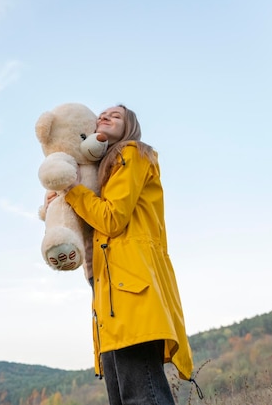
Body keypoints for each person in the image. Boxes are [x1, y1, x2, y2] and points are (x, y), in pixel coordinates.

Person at [62, 104, 195, 405]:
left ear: (130, 126)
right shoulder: (104, 171)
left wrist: (71, 190)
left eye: (116, 116)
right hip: (109, 293)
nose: (105, 116)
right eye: (102, 115)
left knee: (142, 395)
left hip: (131, 289)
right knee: (123, 398)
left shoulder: (132, 153)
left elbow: (111, 218)